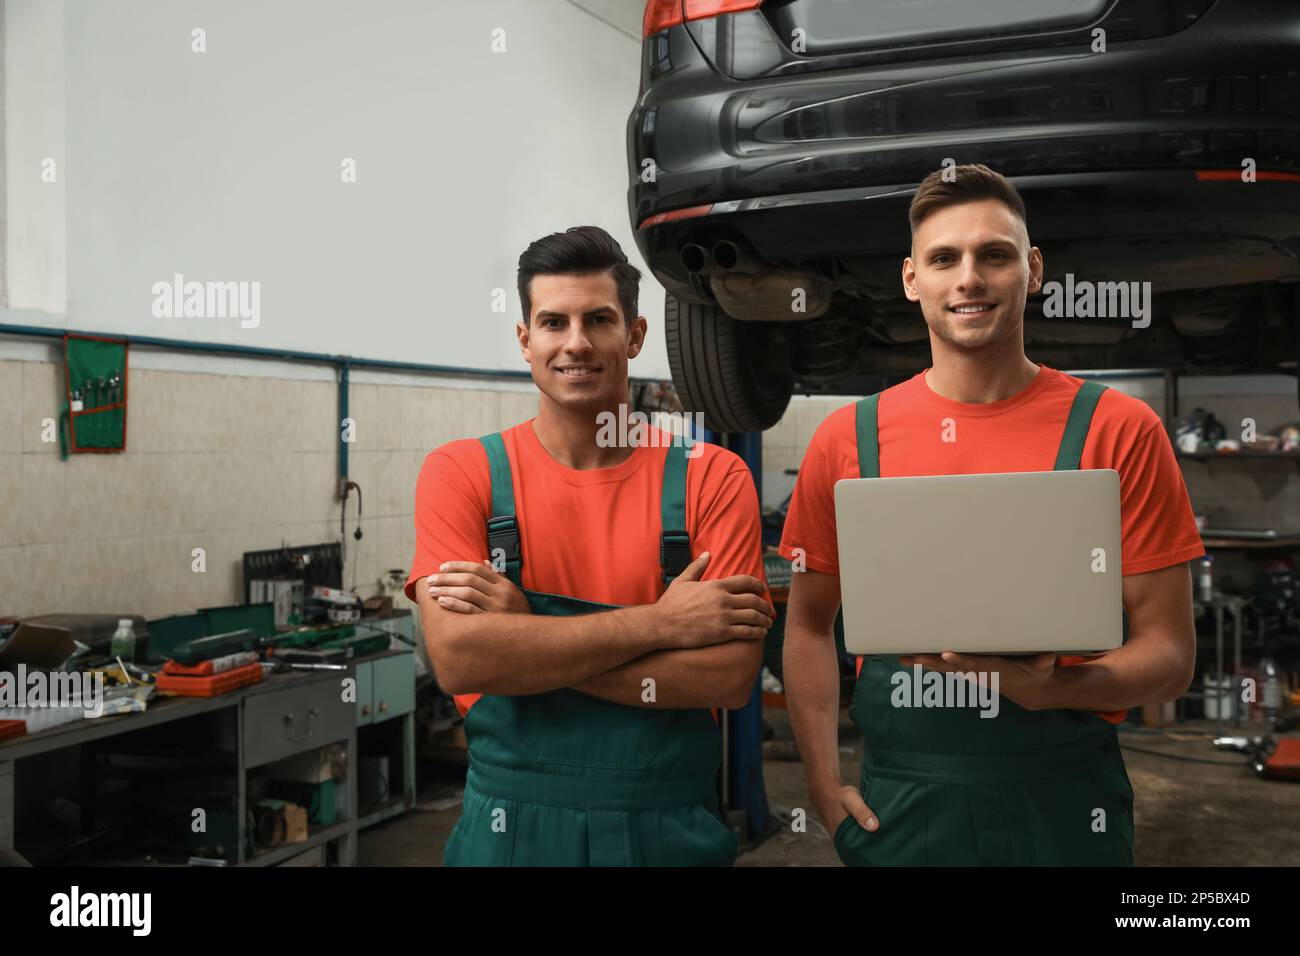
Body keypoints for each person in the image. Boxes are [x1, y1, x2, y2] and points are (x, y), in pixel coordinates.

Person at [780, 165, 1203, 866]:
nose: (968, 278)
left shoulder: (1118, 430)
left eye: (994, 255)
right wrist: (823, 787)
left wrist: (1054, 690)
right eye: (945, 258)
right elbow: (806, 625)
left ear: (1033, 270)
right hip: (904, 807)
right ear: (912, 279)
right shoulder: (847, 439)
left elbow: (1171, 657)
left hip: (1065, 807)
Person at [406, 225, 775, 866]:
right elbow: (463, 661)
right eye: (553, 322)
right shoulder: (461, 473)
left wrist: (525, 642)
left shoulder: (711, 478)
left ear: (634, 334)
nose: (575, 343)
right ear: (526, 340)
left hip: (666, 830)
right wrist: (661, 623)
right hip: (509, 832)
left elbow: (727, 676)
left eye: (598, 320)